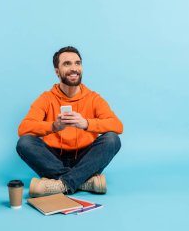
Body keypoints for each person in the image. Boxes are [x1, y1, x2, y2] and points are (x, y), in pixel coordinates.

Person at [16, 46, 123, 197]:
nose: (74, 68)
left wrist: (86, 124)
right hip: (53, 160)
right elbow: (23, 129)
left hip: (85, 159)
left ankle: (61, 184)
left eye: (77, 63)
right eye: (67, 64)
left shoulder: (93, 98)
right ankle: (84, 182)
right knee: (25, 142)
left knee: (112, 139)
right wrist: (54, 126)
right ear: (57, 71)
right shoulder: (46, 98)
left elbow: (117, 126)